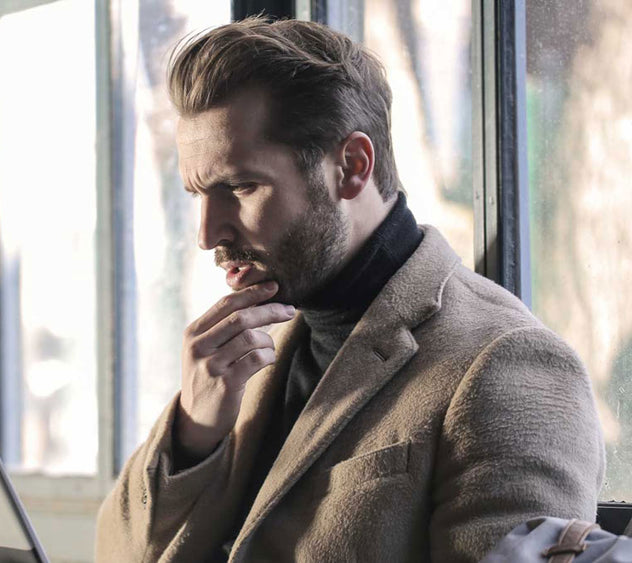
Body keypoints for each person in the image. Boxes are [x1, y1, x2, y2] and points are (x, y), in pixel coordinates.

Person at [95, 17, 604, 562]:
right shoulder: (250, 346)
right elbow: (113, 552)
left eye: (241, 186)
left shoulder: (508, 364)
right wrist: (194, 434)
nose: (207, 234)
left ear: (352, 167)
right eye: (199, 193)